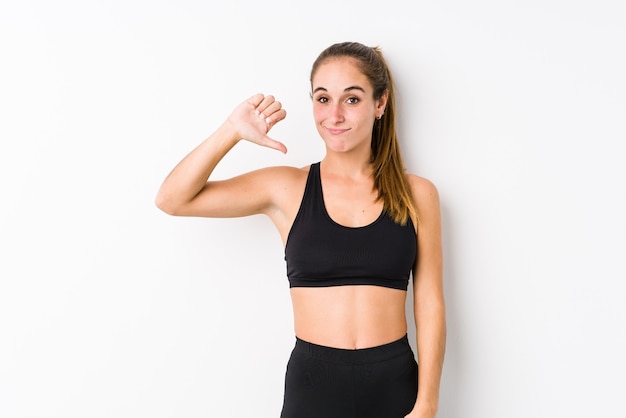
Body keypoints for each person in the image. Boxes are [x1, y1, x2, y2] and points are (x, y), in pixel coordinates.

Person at [155, 41, 446, 418]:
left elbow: (430, 303)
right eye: (323, 99)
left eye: (352, 99)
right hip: (314, 389)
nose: (335, 114)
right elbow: (172, 199)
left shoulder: (417, 194)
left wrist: (427, 403)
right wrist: (231, 131)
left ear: (380, 103)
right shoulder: (286, 188)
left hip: (395, 385)